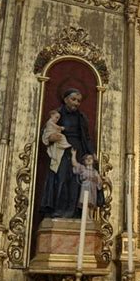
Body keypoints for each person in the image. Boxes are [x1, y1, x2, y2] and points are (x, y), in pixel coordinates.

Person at [40, 88, 95, 218]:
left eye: (79, 101)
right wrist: (51, 137)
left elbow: (86, 137)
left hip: (78, 150)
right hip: (62, 150)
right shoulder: (57, 115)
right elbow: (47, 130)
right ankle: (59, 209)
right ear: (65, 99)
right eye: (73, 99)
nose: (76, 103)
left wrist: (91, 152)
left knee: (76, 181)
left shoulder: (82, 117)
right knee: (61, 179)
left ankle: (73, 210)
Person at [71, 151, 103, 219]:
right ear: (84, 161)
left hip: (93, 188)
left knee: (92, 204)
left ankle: (91, 216)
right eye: (87, 158)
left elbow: (99, 182)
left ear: (93, 161)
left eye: (90, 158)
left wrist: (97, 180)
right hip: (85, 188)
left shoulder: (95, 171)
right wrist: (74, 154)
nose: (89, 159)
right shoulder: (83, 168)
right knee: (86, 203)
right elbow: (75, 164)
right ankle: (86, 216)